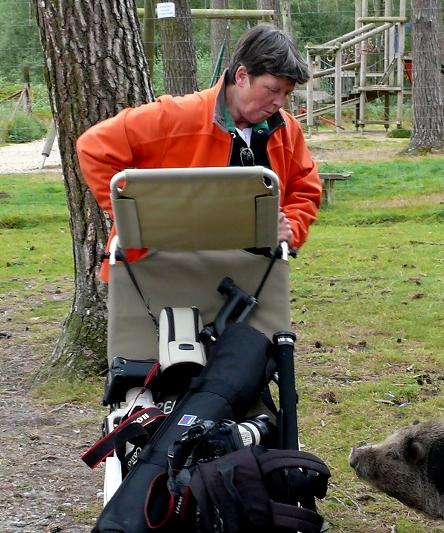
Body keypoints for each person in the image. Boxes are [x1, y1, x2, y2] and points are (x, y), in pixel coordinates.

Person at [76, 23, 321, 364]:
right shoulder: (177, 116)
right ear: (242, 75)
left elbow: (305, 190)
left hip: (251, 277)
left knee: (244, 375)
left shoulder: (285, 129)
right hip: (164, 271)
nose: (279, 103)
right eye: (272, 89)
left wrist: (291, 230)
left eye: (286, 94)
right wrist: (137, 219)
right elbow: (93, 147)